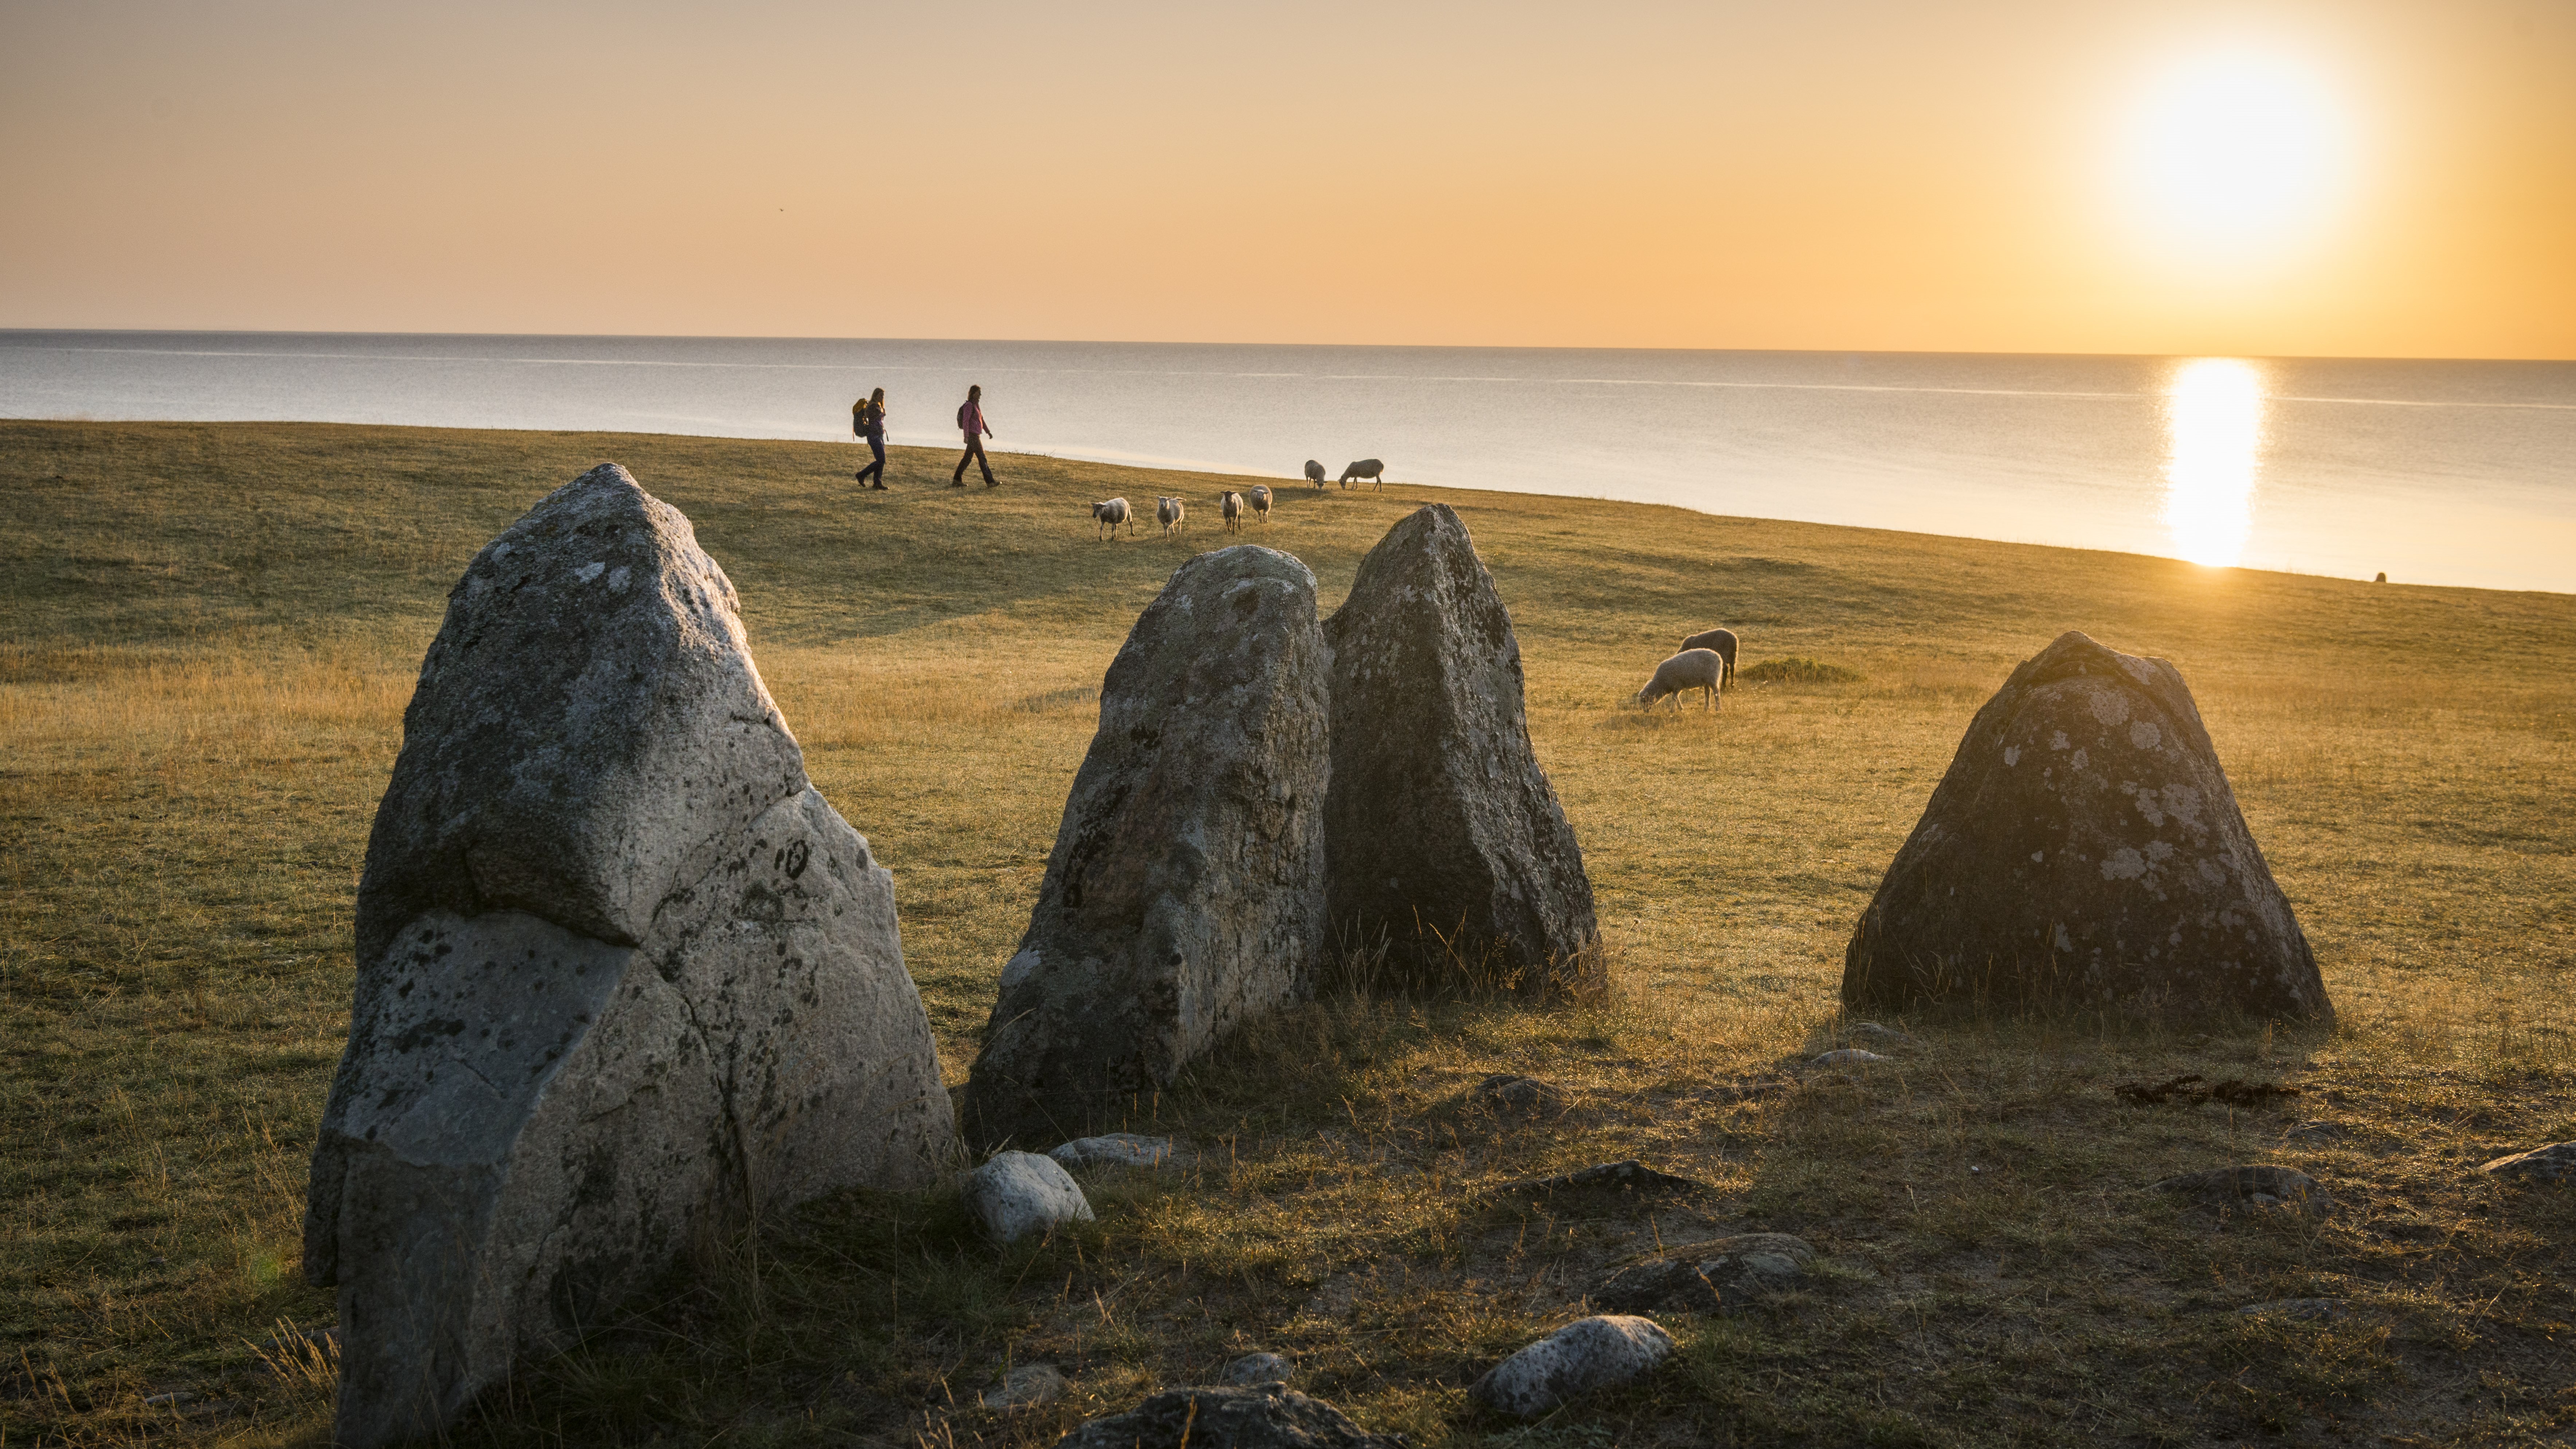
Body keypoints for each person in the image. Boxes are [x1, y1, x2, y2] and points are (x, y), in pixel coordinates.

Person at [952, 384, 997, 488]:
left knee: (967, 459)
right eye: (979, 393)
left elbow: (982, 420)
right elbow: (966, 421)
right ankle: (990, 482)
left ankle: (957, 480)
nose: (981, 395)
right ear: (973, 393)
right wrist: (966, 436)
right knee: (982, 458)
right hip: (973, 436)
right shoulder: (969, 405)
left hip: (976, 435)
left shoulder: (976, 406)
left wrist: (988, 432)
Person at [852, 388, 887, 489]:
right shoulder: (872, 406)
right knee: (881, 460)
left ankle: (877, 483)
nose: (882, 398)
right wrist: (880, 411)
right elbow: (871, 416)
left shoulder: (877, 406)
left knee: (880, 460)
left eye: (883, 396)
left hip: (879, 435)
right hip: (874, 435)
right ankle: (862, 475)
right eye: (880, 395)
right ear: (876, 395)